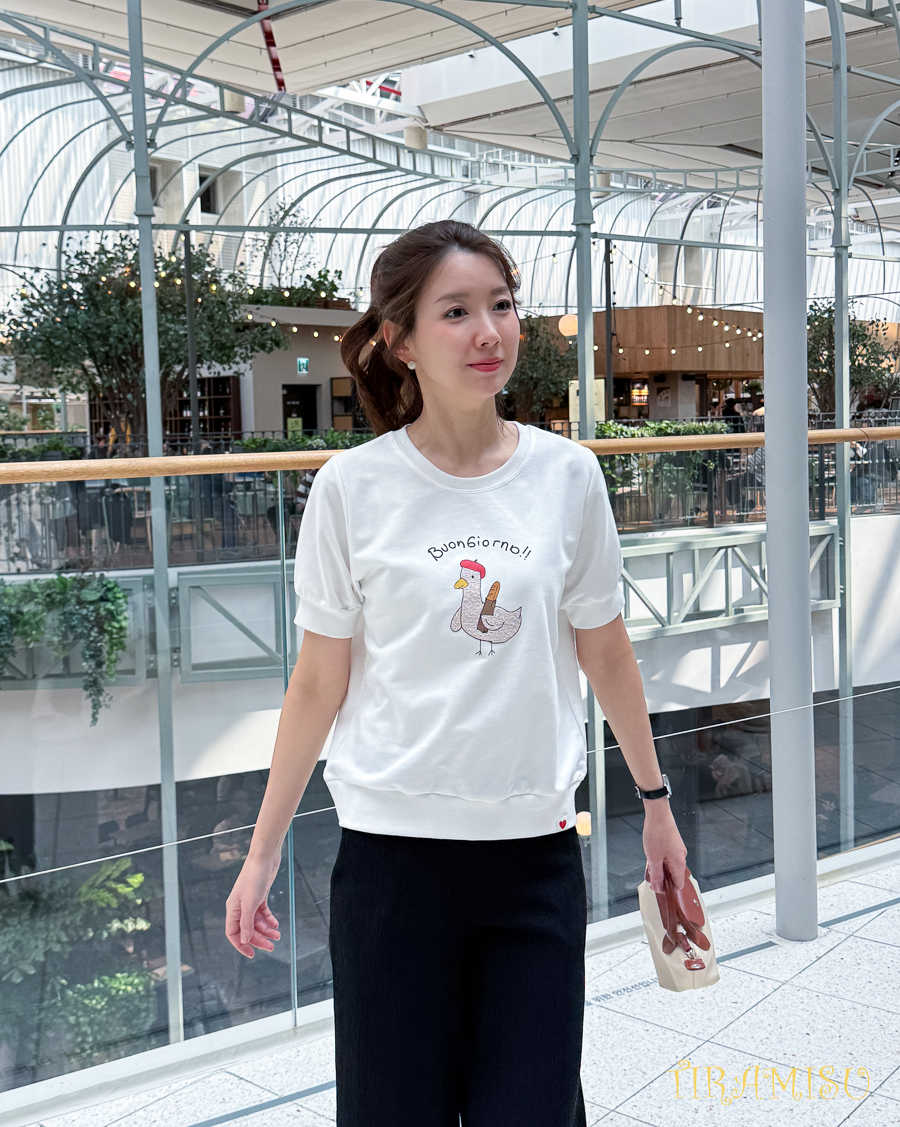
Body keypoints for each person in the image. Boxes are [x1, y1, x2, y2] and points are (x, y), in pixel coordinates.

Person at [224, 220, 688, 1127]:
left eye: (502, 306)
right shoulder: (352, 488)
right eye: (456, 312)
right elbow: (317, 682)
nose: (489, 332)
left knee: (533, 1109)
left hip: (534, 858)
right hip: (390, 866)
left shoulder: (568, 476)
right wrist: (262, 849)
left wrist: (658, 804)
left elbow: (606, 649)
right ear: (400, 339)